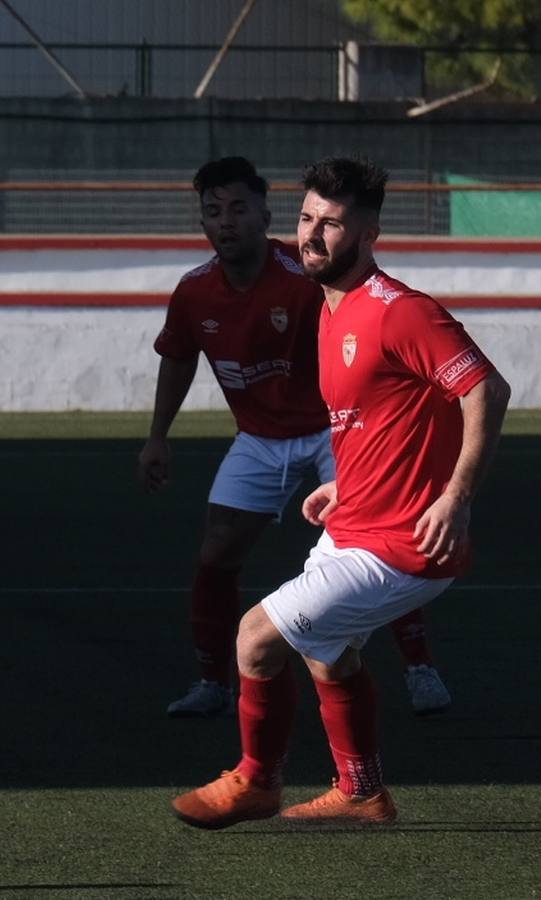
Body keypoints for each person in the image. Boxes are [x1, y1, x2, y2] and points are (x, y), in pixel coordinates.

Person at [171, 156, 511, 830]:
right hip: (354, 521)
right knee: (329, 651)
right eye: (306, 219)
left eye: (331, 224)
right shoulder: (332, 309)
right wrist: (341, 486)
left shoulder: (399, 312)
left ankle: (255, 781)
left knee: (257, 638)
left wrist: (456, 496)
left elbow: (485, 389)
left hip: (404, 543)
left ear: (369, 233)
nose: (312, 235)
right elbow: (384, 418)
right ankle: (362, 793)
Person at [141, 156, 454, 719]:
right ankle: (212, 683)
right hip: (260, 438)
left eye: (239, 208)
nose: (226, 222)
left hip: (332, 432)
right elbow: (178, 357)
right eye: (213, 212)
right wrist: (157, 435)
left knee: (373, 546)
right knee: (216, 551)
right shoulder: (194, 292)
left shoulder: (307, 276)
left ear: (265, 215)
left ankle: (419, 666)